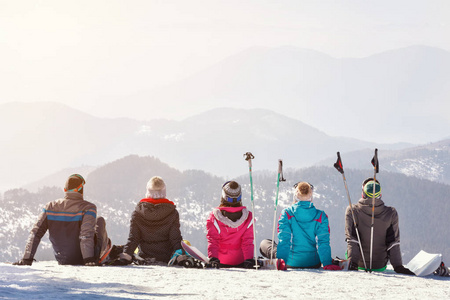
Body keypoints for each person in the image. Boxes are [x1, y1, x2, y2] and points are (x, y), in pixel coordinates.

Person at [13, 174, 113, 266]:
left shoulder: (50, 207)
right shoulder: (88, 207)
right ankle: (103, 254)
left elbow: (35, 233)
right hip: (85, 258)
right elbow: (85, 235)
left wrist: (27, 259)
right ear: (81, 190)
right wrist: (89, 260)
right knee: (100, 221)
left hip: (62, 259)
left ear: (65, 189)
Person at [260, 182, 341, 270]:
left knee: (265, 243)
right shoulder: (321, 216)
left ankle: (281, 260)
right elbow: (323, 242)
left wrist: (281, 261)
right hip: (313, 262)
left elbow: (284, 240)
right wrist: (327, 263)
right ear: (311, 194)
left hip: (291, 262)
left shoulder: (287, 213)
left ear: (296, 194)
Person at [345, 178, 414, 275]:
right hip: (380, 266)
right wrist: (398, 267)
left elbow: (352, 240)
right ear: (380, 195)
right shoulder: (391, 213)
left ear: (363, 194)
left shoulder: (352, 210)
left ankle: (353, 261)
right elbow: (393, 243)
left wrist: (353, 263)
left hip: (358, 264)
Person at [118, 176, 183, 264]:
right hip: (166, 257)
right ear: (164, 193)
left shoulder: (137, 213)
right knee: (186, 243)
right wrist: (181, 254)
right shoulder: (172, 213)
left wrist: (127, 254)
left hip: (144, 256)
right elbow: (175, 238)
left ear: (148, 192)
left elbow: (134, 238)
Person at [206, 180, 257, 268]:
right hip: (241, 261)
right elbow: (247, 242)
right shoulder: (248, 217)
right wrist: (249, 260)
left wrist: (213, 258)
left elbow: (213, 241)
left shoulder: (214, 217)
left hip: (220, 261)